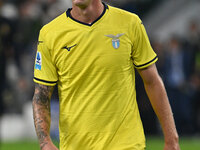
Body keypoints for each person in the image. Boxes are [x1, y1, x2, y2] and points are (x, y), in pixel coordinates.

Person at [32, 0, 180, 150]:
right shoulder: (50, 33)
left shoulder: (130, 23)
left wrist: (171, 138)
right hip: (76, 146)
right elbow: (41, 95)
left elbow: (152, 81)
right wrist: (45, 144)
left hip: (127, 144)